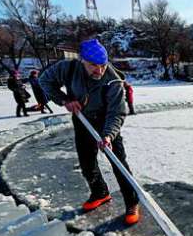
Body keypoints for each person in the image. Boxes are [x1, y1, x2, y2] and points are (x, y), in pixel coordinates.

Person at [39, 39, 140, 225]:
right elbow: (44, 80)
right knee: (86, 160)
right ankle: (100, 192)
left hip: (106, 121)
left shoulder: (113, 80)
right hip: (82, 119)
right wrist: (64, 100)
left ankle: (132, 202)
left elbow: (116, 112)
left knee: (118, 162)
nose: (99, 70)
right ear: (82, 60)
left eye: (102, 65)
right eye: (93, 65)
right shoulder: (68, 68)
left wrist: (108, 135)